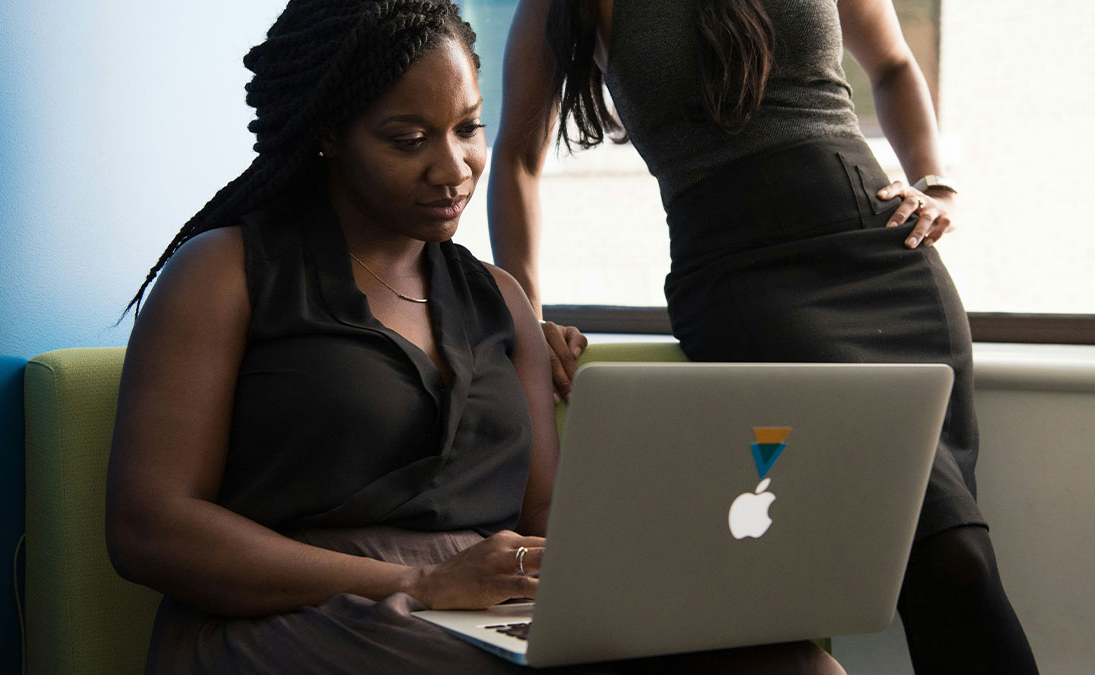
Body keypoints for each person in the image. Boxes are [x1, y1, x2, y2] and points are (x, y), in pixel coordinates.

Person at [106, 1, 842, 673]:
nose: (453, 168)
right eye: (409, 139)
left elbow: (543, 517)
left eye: (468, 127)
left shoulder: (500, 299)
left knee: (793, 662)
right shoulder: (225, 272)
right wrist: (419, 581)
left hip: (486, 609)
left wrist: (647, 568)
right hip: (293, 616)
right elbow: (149, 527)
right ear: (329, 137)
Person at [488, 2, 1040, 674]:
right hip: (746, 287)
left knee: (952, 560)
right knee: (948, 560)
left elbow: (893, 64)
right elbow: (516, 156)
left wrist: (937, 184)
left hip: (885, 258)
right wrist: (527, 321)